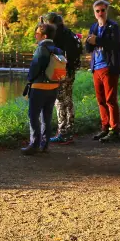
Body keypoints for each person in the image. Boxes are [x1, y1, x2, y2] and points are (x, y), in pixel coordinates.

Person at [85, 0, 120, 143]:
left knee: (110, 100)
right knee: (101, 100)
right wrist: (89, 41)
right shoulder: (94, 27)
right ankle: (105, 127)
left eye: (103, 10)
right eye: (98, 11)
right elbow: (88, 47)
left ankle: (115, 131)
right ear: (94, 13)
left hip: (109, 67)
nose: (100, 13)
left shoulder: (113, 27)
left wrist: (98, 40)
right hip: (96, 67)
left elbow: (115, 44)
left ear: (107, 11)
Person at [40, 12, 83, 145]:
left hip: (61, 71)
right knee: (68, 100)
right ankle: (69, 131)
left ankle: (63, 132)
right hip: (70, 70)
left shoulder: (57, 35)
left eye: (47, 23)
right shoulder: (69, 33)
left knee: (59, 101)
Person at [22, 22, 64, 155]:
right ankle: (44, 144)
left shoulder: (41, 48)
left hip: (39, 87)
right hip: (53, 86)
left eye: (37, 34)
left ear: (44, 35)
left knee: (33, 115)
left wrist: (29, 79)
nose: (35, 36)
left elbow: (35, 67)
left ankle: (34, 144)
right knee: (47, 115)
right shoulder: (57, 49)